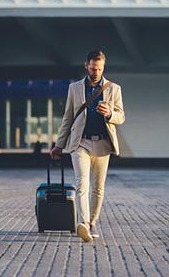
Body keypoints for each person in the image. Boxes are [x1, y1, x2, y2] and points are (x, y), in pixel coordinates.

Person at [50, 50, 125, 243]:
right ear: (86, 66)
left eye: (99, 69)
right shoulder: (74, 88)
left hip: (103, 143)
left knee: (98, 188)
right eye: (92, 68)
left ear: (103, 67)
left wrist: (109, 113)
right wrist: (59, 145)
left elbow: (121, 117)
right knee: (82, 183)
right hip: (80, 142)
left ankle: (92, 222)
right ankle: (82, 223)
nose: (95, 72)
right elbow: (68, 117)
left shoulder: (113, 88)